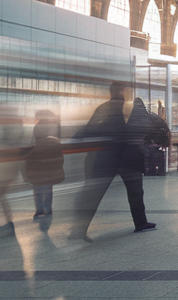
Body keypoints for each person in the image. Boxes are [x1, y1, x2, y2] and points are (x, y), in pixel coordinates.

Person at [71, 83, 166, 239]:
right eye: (128, 90)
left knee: (94, 195)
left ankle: (78, 231)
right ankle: (140, 223)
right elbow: (145, 129)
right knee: (134, 192)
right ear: (123, 91)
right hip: (127, 157)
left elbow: (89, 129)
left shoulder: (106, 107)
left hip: (109, 157)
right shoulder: (131, 108)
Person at [23, 110, 65, 219]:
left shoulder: (36, 135)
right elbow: (59, 158)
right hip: (48, 168)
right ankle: (47, 210)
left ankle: (39, 210)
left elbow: (29, 155)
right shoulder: (53, 138)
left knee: (37, 190)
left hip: (37, 169)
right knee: (47, 191)